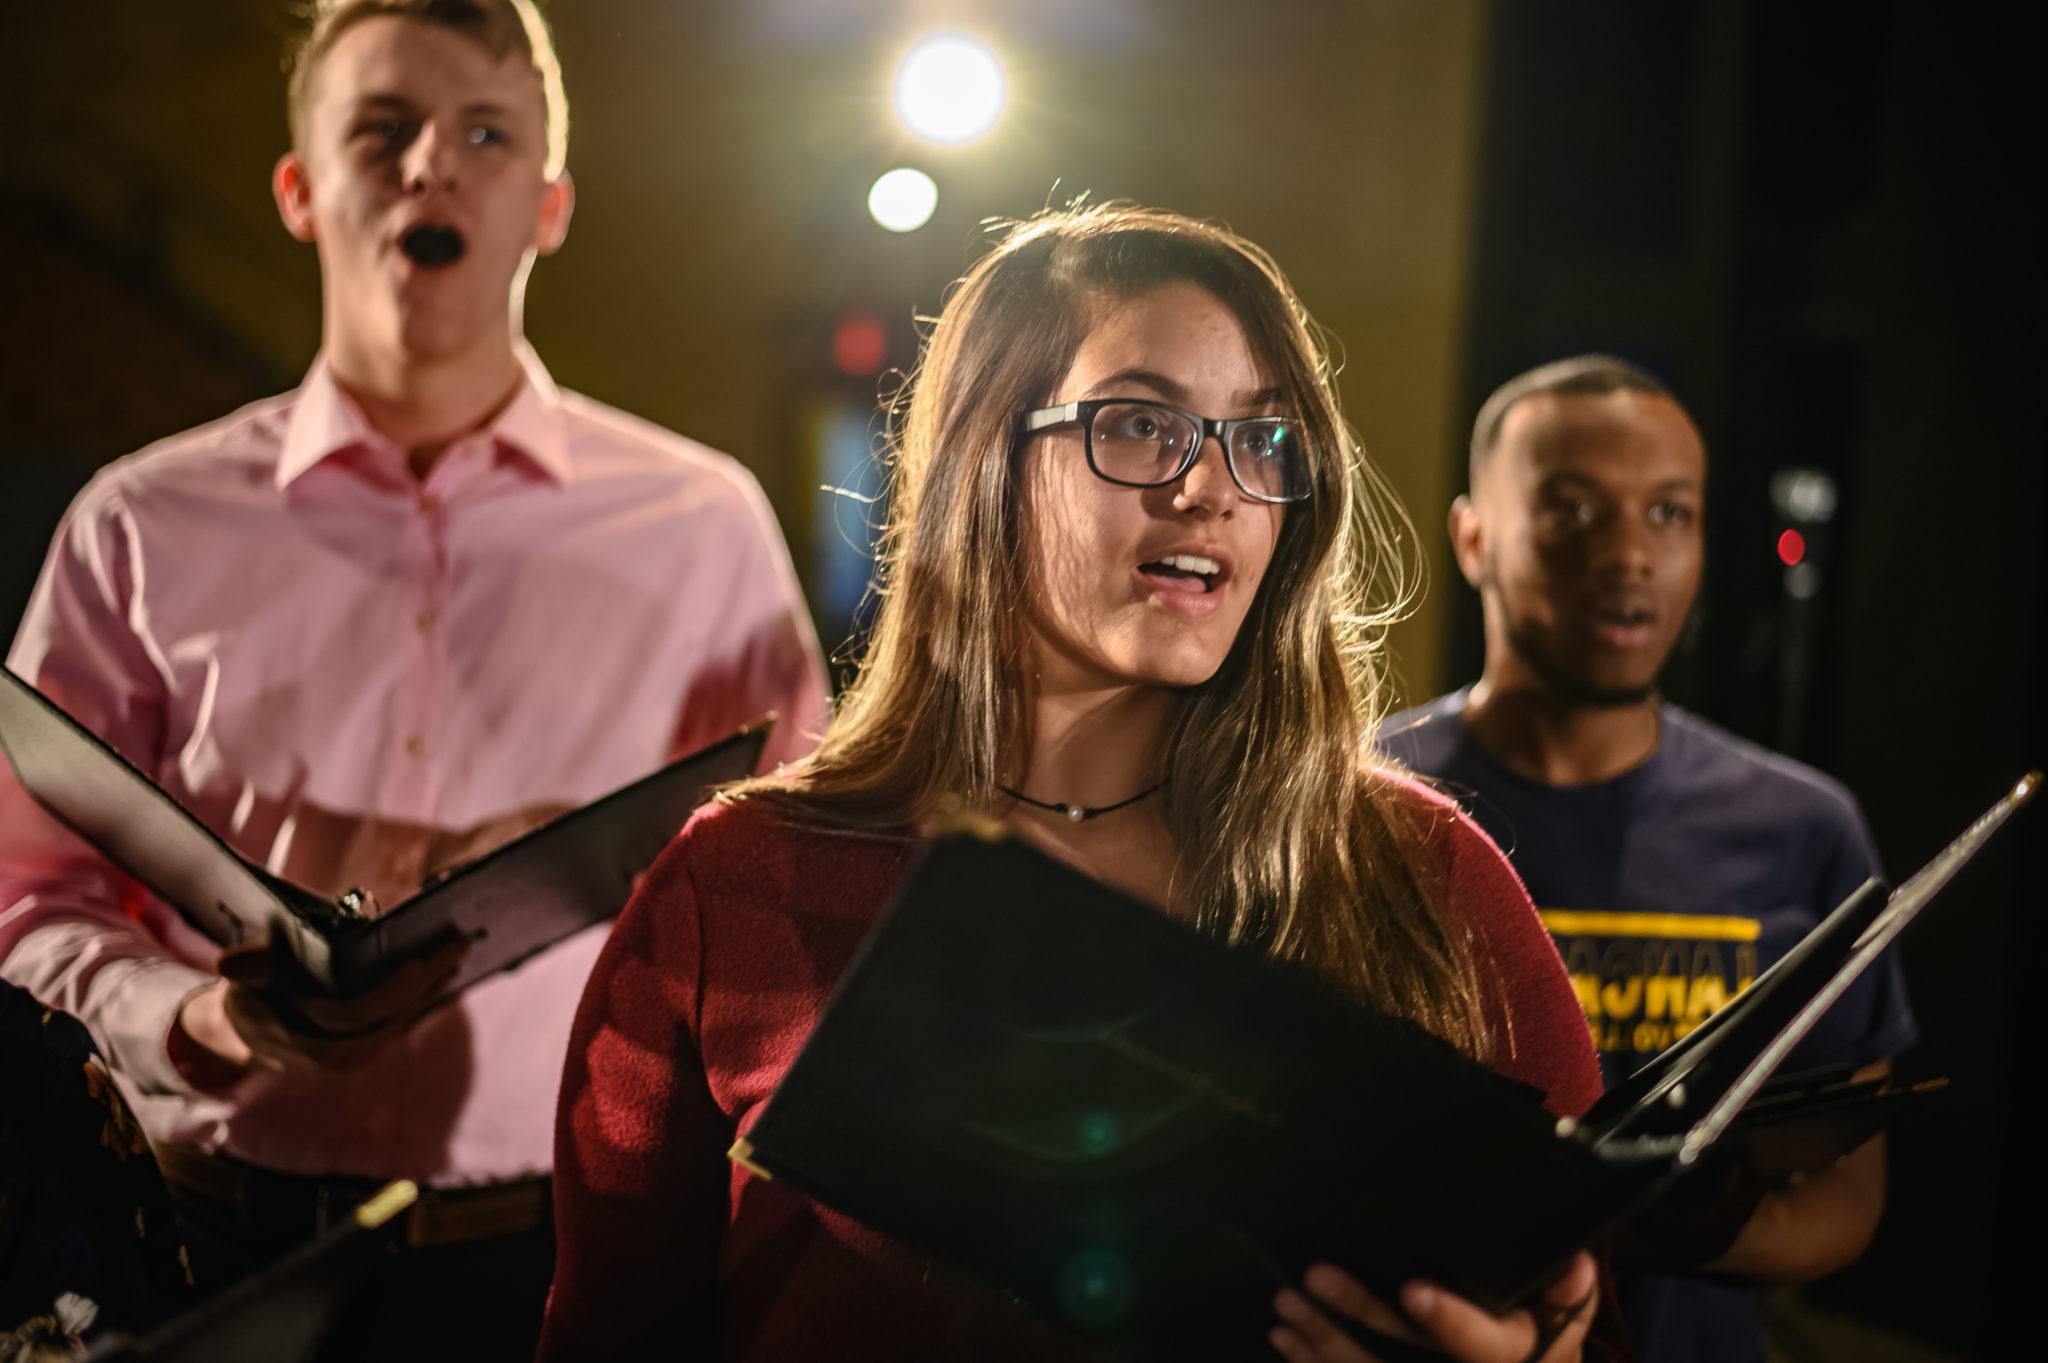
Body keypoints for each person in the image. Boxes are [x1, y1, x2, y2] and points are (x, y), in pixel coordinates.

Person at [540, 205, 1628, 1363]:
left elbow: (1597, 1326)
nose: (1211, 490)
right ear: (981, 459)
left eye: (1259, 443)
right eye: (1144, 426)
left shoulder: (1421, 874)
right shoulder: (737, 886)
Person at [0, 2, 827, 1358]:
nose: (431, 165)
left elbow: (789, 915)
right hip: (210, 1235)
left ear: (548, 205)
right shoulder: (136, 523)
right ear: (298, 187)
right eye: (381, 132)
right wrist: (203, 1017)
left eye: (484, 133)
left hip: (572, 1252)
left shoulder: (705, 524)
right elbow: (23, 898)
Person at [1379, 355, 1915, 1363]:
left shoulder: (1800, 830)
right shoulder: (1359, 808)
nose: (1629, 554)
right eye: (1573, 511)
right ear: (1471, 536)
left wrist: (1629, 1225)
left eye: (1668, 513)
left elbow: (1848, 1190)